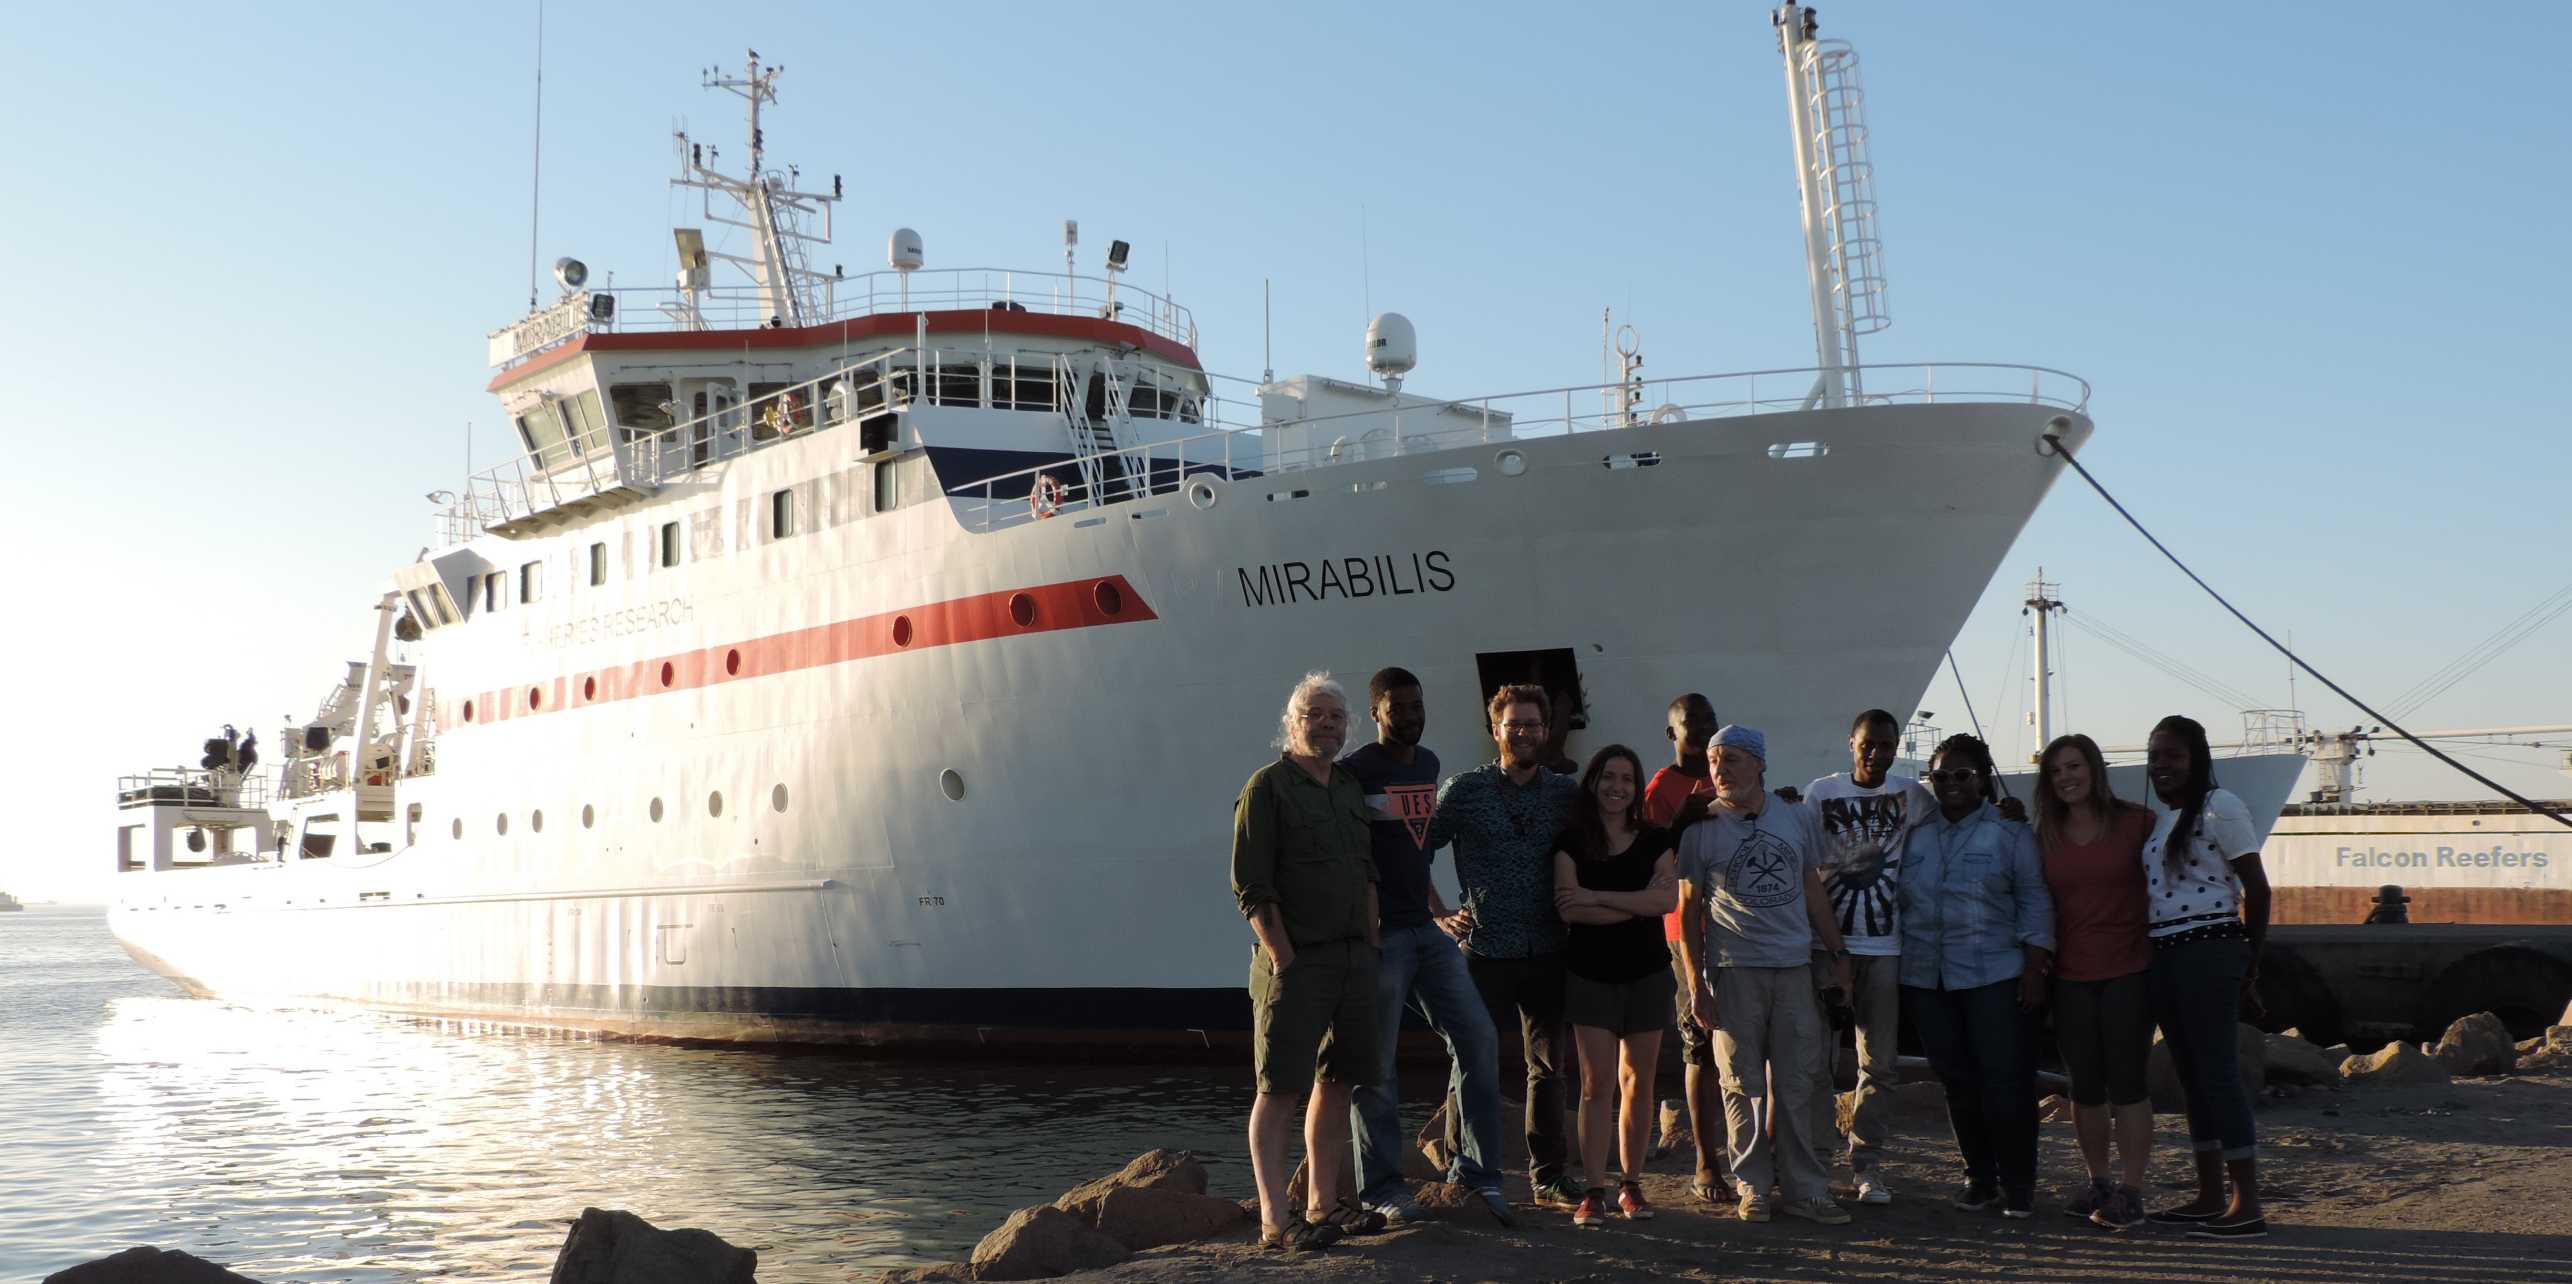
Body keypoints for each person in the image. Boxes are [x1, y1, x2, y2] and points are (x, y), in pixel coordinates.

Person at [1341, 668, 1513, 1227]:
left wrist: (1439, 910)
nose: (1412, 716)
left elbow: (1415, 852)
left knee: (1478, 1039)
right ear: (1376, 713)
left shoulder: (1430, 765)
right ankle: (1382, 1188)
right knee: (1377, 1061)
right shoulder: (1355, 772)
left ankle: (1477, 1174)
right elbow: (1350, 858)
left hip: (1424, 929)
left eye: (1418, 705)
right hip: (1384, 935)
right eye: (1399, 708)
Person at [1676, 724, 1855, 1226]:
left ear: (1759, 764)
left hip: (1794, 968)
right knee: (1740, 1084)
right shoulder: (1700, 830)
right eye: (1713, 760)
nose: (1719, 769)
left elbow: (1811, 888)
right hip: (1733, 972)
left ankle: (1807, 1189)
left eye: (1731, 759)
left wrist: (1837, 951)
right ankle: (1752, 1185)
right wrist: (1696, 986)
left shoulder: (1795, 818)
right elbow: (1689, 914)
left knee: (1800, 1081)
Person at [1231, 672, 1384, 1253]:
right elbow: (1251, 882)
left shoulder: (1346, 787)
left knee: (1338, 1079)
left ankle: (1324, 1204)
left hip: (1351, 959)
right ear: (1291, 724)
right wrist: (1283, 956)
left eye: (1336, 717)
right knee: (1278, 1089)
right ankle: (1276, 1219)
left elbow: (1366, 868)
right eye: (1314, 714)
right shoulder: (1267, 788)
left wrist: (1369, 941)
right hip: (1298, 962)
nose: (1326, 724)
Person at [1426, 684, 1585, 1209]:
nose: (1523, 733)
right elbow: (1416, 849)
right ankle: (1460, 1169)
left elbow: (1616, 830)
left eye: (1532, 725)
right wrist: (1439, 912)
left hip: (1547, 948)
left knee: (1548, 1069)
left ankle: (1549, 1176)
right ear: (1495, 731)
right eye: (1513, 724)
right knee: (1470, 1061)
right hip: (1485, 950)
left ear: (1546, 731)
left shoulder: (1565, 793)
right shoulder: (1464, 790)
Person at [1894, 733, 2055, 1220]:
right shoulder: (1915, 835)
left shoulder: (2011, 835)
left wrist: (2035, 966)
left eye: (1962, 775)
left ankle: (2019, 1182)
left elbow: (2034, 900)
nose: (1950, 785)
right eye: (1940, 776)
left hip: (1995, 977)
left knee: (2006, 1080)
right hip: (1928, 978)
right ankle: (1979, 1178)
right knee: (1956, 1082)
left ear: (1983, 778)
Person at [2140, 714, 2273, 1239]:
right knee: (2192, 1076)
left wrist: (2250, 961)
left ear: (2197, 759)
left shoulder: (2223, 807)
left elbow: (2257, 889)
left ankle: (2248, 1201)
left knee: (2217, 1072)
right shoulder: (2164, 822)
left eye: (2172, 755)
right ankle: (2210, 1194)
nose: (2161, 766)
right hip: (2166, 954)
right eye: (2154, 758)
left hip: (2208, 949)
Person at [1802, 708, 1935, 1204]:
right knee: (1814, 1064)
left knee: (1878, 1065)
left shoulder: (1913, 796)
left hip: (1884, 946)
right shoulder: (1822, 793)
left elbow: (1950, 825)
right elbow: (1802, 860)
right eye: (1868, 744)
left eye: (1886, 744)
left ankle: (1866, 1165)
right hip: (1825, 946)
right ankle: (1814, 1161)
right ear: (1850, 743)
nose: (1877, 753)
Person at [1552, 745, 1681, 1227]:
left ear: (1636, 786)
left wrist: (1598, 896)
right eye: (1609, 777)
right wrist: (1635, 901)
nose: (1617, 787)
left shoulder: (1655, 840)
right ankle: (1593, 1190)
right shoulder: (1571, 842)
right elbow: (1569, 909)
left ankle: (1631, 1184)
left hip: (1647, 974)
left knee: (1638, 1081)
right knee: (1596, 1085)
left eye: (1627, 779)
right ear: (1593, 781)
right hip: (1590, 976)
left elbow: (1666, 901)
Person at [2032, 732, 2157, 1230]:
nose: (2066, 778)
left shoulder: (2137, 823)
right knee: (2084, 1087)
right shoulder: (2045, 833)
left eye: (2074, 767)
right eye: (2056, 771)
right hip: (2070, 975)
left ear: (2095, 769)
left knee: (2127, 1083)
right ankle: (2099, 1180)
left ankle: (2133, 1188)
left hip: (2129, 970)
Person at [1641, 693, 1724, 1200]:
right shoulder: (1661, 789)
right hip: (1685, 933)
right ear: (1671, 733)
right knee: (1699, 1046)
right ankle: (1705, 1160)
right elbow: (1647, 857)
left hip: (1739, 929)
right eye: (1691, 722)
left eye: (1709, 720)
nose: (1702, 728)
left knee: (1748, 1047)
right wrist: (1681, 821)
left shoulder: (1730, 775)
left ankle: (1756, 1153)